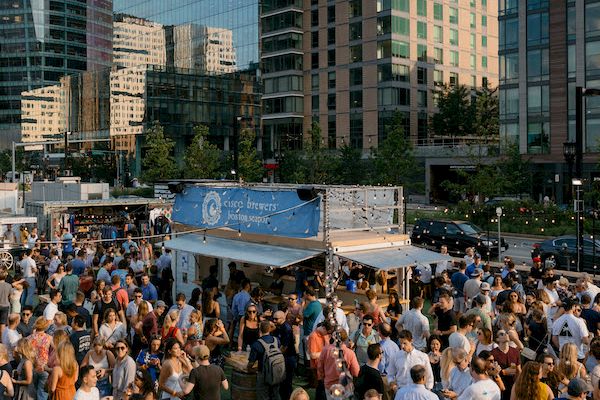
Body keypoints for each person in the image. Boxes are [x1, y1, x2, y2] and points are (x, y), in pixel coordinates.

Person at [247, 320, 283, 400]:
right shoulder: (276, 340)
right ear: (270, 329)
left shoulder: (256, 344)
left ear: (259, 329)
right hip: (276, 371)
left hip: (263, 373)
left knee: (263, 396)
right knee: (276, 394)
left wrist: (251, 369)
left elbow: (250, 364)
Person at [491, 329, 521, 400]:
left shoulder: (515, 351)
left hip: (513, 387)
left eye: (506, 333)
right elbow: (490, 372)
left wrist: (519, 384)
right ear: (497, 339)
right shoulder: (493, 353)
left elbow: (519, 370)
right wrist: (503, 372)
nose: (505, 334)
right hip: (499, 387)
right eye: (502, 334)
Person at [29, 316, 52, 400]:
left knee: (33, 393)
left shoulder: (29, 338)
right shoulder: (49, 338)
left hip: (32, 367)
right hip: (45, 368)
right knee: (42, 394)